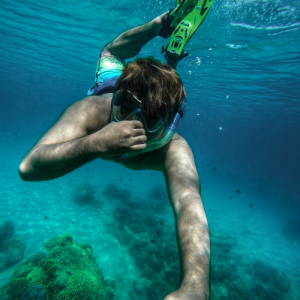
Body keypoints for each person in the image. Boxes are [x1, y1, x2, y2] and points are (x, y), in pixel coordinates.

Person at [19, 1, 213, 299]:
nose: (132, 124)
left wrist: (195, 286)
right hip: (112, 82)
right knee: (110, 53)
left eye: (149, 119)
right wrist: (96, 142)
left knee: (163, 88)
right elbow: (28, 168)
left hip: (151, 99)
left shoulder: (172, 147)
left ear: (170, 123)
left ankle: (168, 61)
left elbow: (190, 206)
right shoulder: (95, 110)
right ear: (116, 99)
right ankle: (158, 25)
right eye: (124, 107)